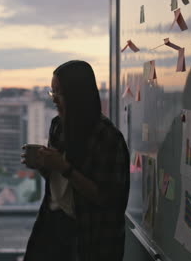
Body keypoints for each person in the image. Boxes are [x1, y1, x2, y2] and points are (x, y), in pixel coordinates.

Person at [22, 60, 130, 261]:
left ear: (78, 96)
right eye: (52, 92)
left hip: (91, 235)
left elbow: (106, 198)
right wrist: (43, 165)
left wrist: (64, 168)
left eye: (59, 93)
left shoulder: (107, 138)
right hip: (52, 225)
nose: (54, 100)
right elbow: (58, 184)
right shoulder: (58, 126)